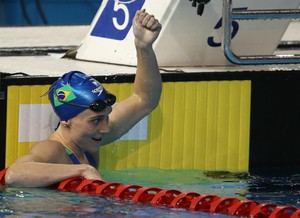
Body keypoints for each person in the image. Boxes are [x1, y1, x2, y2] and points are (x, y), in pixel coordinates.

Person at [5, 9, 162, 187]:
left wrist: (143, 47)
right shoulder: (54, 149)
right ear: (66, 123)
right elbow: (14, 174)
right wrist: (84, 170)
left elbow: (145, 99)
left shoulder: (88, 139)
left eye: (105, 118)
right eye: (95, 121)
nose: (104, 128)